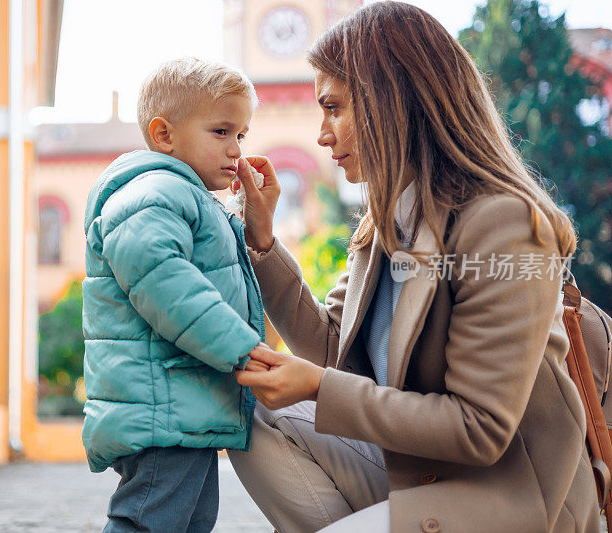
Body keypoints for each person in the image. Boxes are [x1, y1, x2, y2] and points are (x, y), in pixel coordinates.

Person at [228, 3, 597, 532]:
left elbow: (480, 428)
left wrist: (317, 388)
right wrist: (261, 243)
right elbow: (335, 349)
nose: (322, 134)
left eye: (334, 107)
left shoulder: (502, 223)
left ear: (389, 101)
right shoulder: (387, 225)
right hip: (414, 473)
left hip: (505, 499)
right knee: (253, 413)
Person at [81, 57, 266, 532]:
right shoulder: (155, 193)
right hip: (160, 405)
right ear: (163, 134)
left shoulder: (192, 198)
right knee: (150, 522)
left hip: (184, 403)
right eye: (221, 132)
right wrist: (242, 350)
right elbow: (167, 285)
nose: (236, 150)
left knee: (189, 521)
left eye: (241, 136)